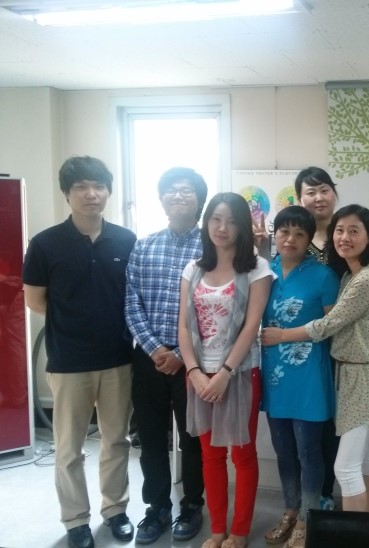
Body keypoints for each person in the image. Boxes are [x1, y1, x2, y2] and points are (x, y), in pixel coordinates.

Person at [22, 156, 136, 548]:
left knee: (116, 441)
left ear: (108, 191)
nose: (91, 194)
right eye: (81, 187)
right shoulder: (45, 244)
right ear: (67, 194)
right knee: (69, 449)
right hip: (68, 362)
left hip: (118, 358)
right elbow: (35, 300)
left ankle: (115, 510)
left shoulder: (126, 240)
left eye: (98, 186)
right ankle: (75, 520)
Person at [261, 204, 369, 513]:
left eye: (354, 231)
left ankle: (351, 533)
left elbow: (327, 325)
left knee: (346, 469)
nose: (344, 237)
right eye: (339, 230)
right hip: (358, 374)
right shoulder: (352, 274)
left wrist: (282, 335)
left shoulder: (364, 279)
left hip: (365, 378)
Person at [178, 192, 274, 548]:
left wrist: (224, 373)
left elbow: (252, 326)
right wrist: (194, 372)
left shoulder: (257, 269)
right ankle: (218, 529)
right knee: (211, 455)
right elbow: (183, 326)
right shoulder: (193, 269)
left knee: (243, 455)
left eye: (232, 221)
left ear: (243, 227)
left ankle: (240, 531)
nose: (222, 227)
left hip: (240, 373)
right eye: (216, 219)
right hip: (199, 375)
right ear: (207, 223)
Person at [124, 167, 208, 544]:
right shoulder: (144, 246)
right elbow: (131, 302)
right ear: (161, 199)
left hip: (193, 362)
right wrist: (156, 349)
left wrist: (179, 353)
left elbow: (215, 310)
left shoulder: (212, 249)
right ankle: (157, 507)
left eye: (186, 191)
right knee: (151, 438)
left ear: (199, 200)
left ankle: (191, 505)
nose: (178, 196)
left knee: (193, 439)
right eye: (171, 191)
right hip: (148, 359)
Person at [261, 206, 340, 548]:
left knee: (309, 451)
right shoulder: (264, 272)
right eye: (284, 231)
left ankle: (309, 516)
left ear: (309, 240)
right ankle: (290, 510)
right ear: (275, 234)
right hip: (275, 378)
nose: (290, 239)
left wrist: (285, 335)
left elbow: (333, 327)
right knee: (283, 450)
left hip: (309, 379)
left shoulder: (324, 276)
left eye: (299, 234)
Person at [294, 166, 341, 511]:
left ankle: (327, 492)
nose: (318, 198)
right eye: (310, 192)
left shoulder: (346, 233)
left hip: (343, 344)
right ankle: (307, 495)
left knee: (336, 423)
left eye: (324, 189)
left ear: (334, 193)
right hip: (302, 345)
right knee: (311, 423)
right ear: (300, 199)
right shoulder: (293, 239)